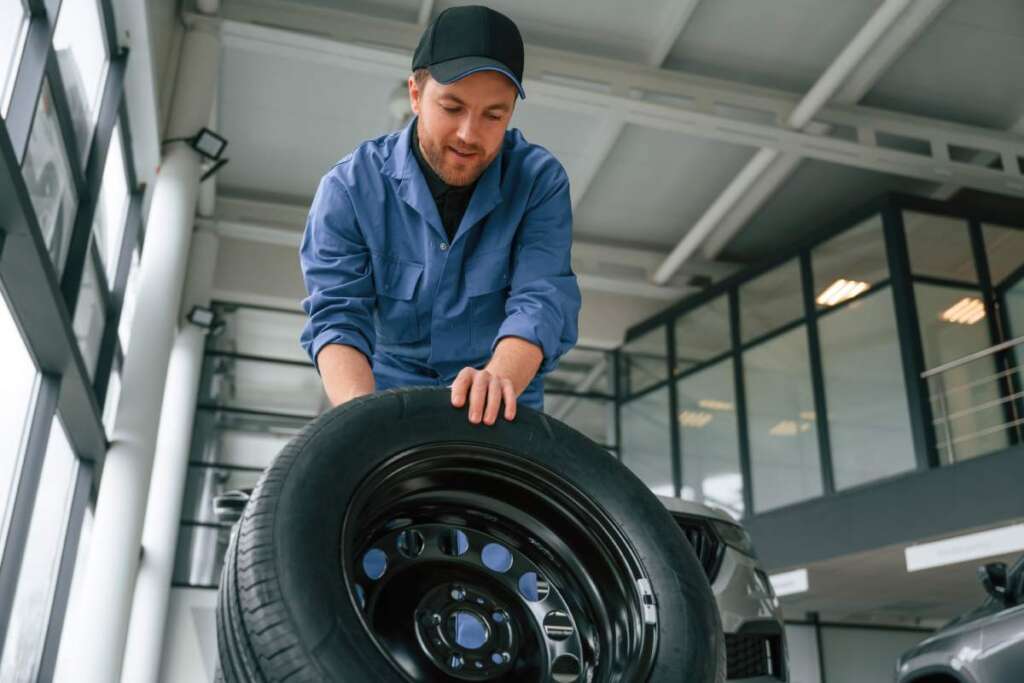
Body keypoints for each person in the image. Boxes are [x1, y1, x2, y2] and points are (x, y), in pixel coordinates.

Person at [299, 5, 580, 426]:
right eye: (452, 107)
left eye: (493, 115)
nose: (469, 134)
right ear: (415, 94)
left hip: (501, 403)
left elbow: (542, 301)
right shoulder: (349, 189)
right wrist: (361, 421)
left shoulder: (539, 182)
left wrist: (497, 380)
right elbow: (338, 316)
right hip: (386, 400)